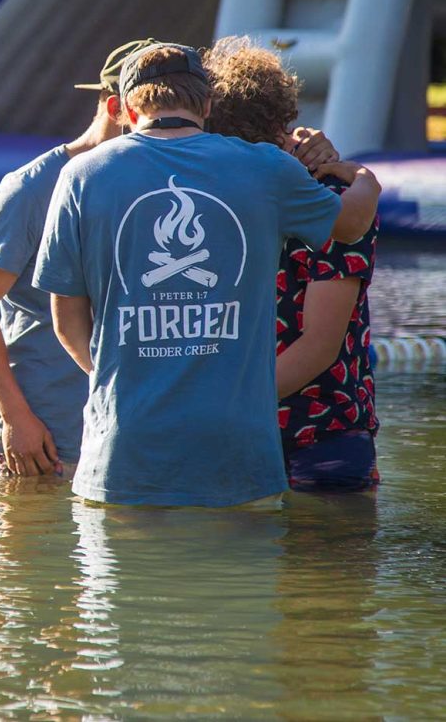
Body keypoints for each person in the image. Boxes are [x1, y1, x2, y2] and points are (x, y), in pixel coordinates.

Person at [33, 42, 380, 508]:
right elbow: (352, 223)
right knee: (240, 578)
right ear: (207, 104)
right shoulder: (266, 168)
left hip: (122, 452)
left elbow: (66, 318)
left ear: (129, 108)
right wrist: (365, 178)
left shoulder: (80, 176)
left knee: (121, 579)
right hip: (239, 459)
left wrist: (122, 377)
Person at [0, 39, 158, 481]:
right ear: (117, 108)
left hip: (121, 432)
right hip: (44, 437)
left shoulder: (152, 186)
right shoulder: (30, 189)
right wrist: (15, 418)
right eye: (156, 118)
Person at [203, 38, 380, 492]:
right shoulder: (210, 199)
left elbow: (320, 345)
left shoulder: (332, 199)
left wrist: (221, 409)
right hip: (242, 427)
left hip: (320, 437)